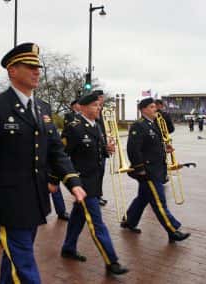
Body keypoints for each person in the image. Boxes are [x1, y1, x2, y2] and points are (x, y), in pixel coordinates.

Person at [0, 42, 86, 284]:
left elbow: (55, 149)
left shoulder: (42, 107)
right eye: (30, 66)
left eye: (38, 67)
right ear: (12, 70)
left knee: (14, 258)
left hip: (35, 199)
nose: (37, 71)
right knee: (24, 265)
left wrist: (72, 180)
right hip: (8, 203)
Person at [59, 93, 129, 275]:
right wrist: (55, 179)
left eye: (99, 105)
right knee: (97, 223)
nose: (98, 108)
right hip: (82, 182)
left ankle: (68, 247)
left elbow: (97, 152)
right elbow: (60, 155)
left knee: (78, 216)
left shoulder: (96, 126)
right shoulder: (74, 128)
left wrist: (107, 150)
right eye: (94, 106)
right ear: (82, 108)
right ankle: (111, 261)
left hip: (95, 180)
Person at [121, 97, 190, 243]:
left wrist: (165, 148)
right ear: (144, 109)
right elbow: (133, 149)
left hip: (157, 169)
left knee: (143, 198)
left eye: (155, 107)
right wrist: (140, 169)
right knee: (159, 202)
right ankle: (172, 230)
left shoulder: (153, 124)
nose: (155, 109)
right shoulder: (138, 126)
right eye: (152, 107)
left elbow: (151, 146)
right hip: (148, 171)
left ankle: (129, 221)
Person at [92, 90, 108, 206]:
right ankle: (95, 196)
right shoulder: (95, 112)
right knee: (96, 174)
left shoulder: (102, 111)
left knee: (100, 173)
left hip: (103, 148)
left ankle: (98, 195)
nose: (103, 99)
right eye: (101, 97)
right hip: (95, 148)